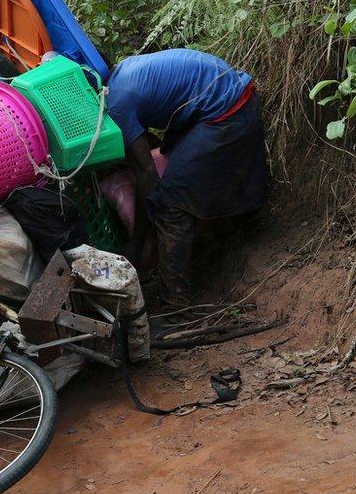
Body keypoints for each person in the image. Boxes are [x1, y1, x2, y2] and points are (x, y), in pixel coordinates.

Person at [104, 49, 267, 308]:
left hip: (227, 110)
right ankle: (235, 226)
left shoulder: (116, 104)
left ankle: (175, 301)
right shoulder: (123, 73)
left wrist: (136, 244)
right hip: (230, 92)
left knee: (171, 202)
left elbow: (147, 176)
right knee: (180, 163)